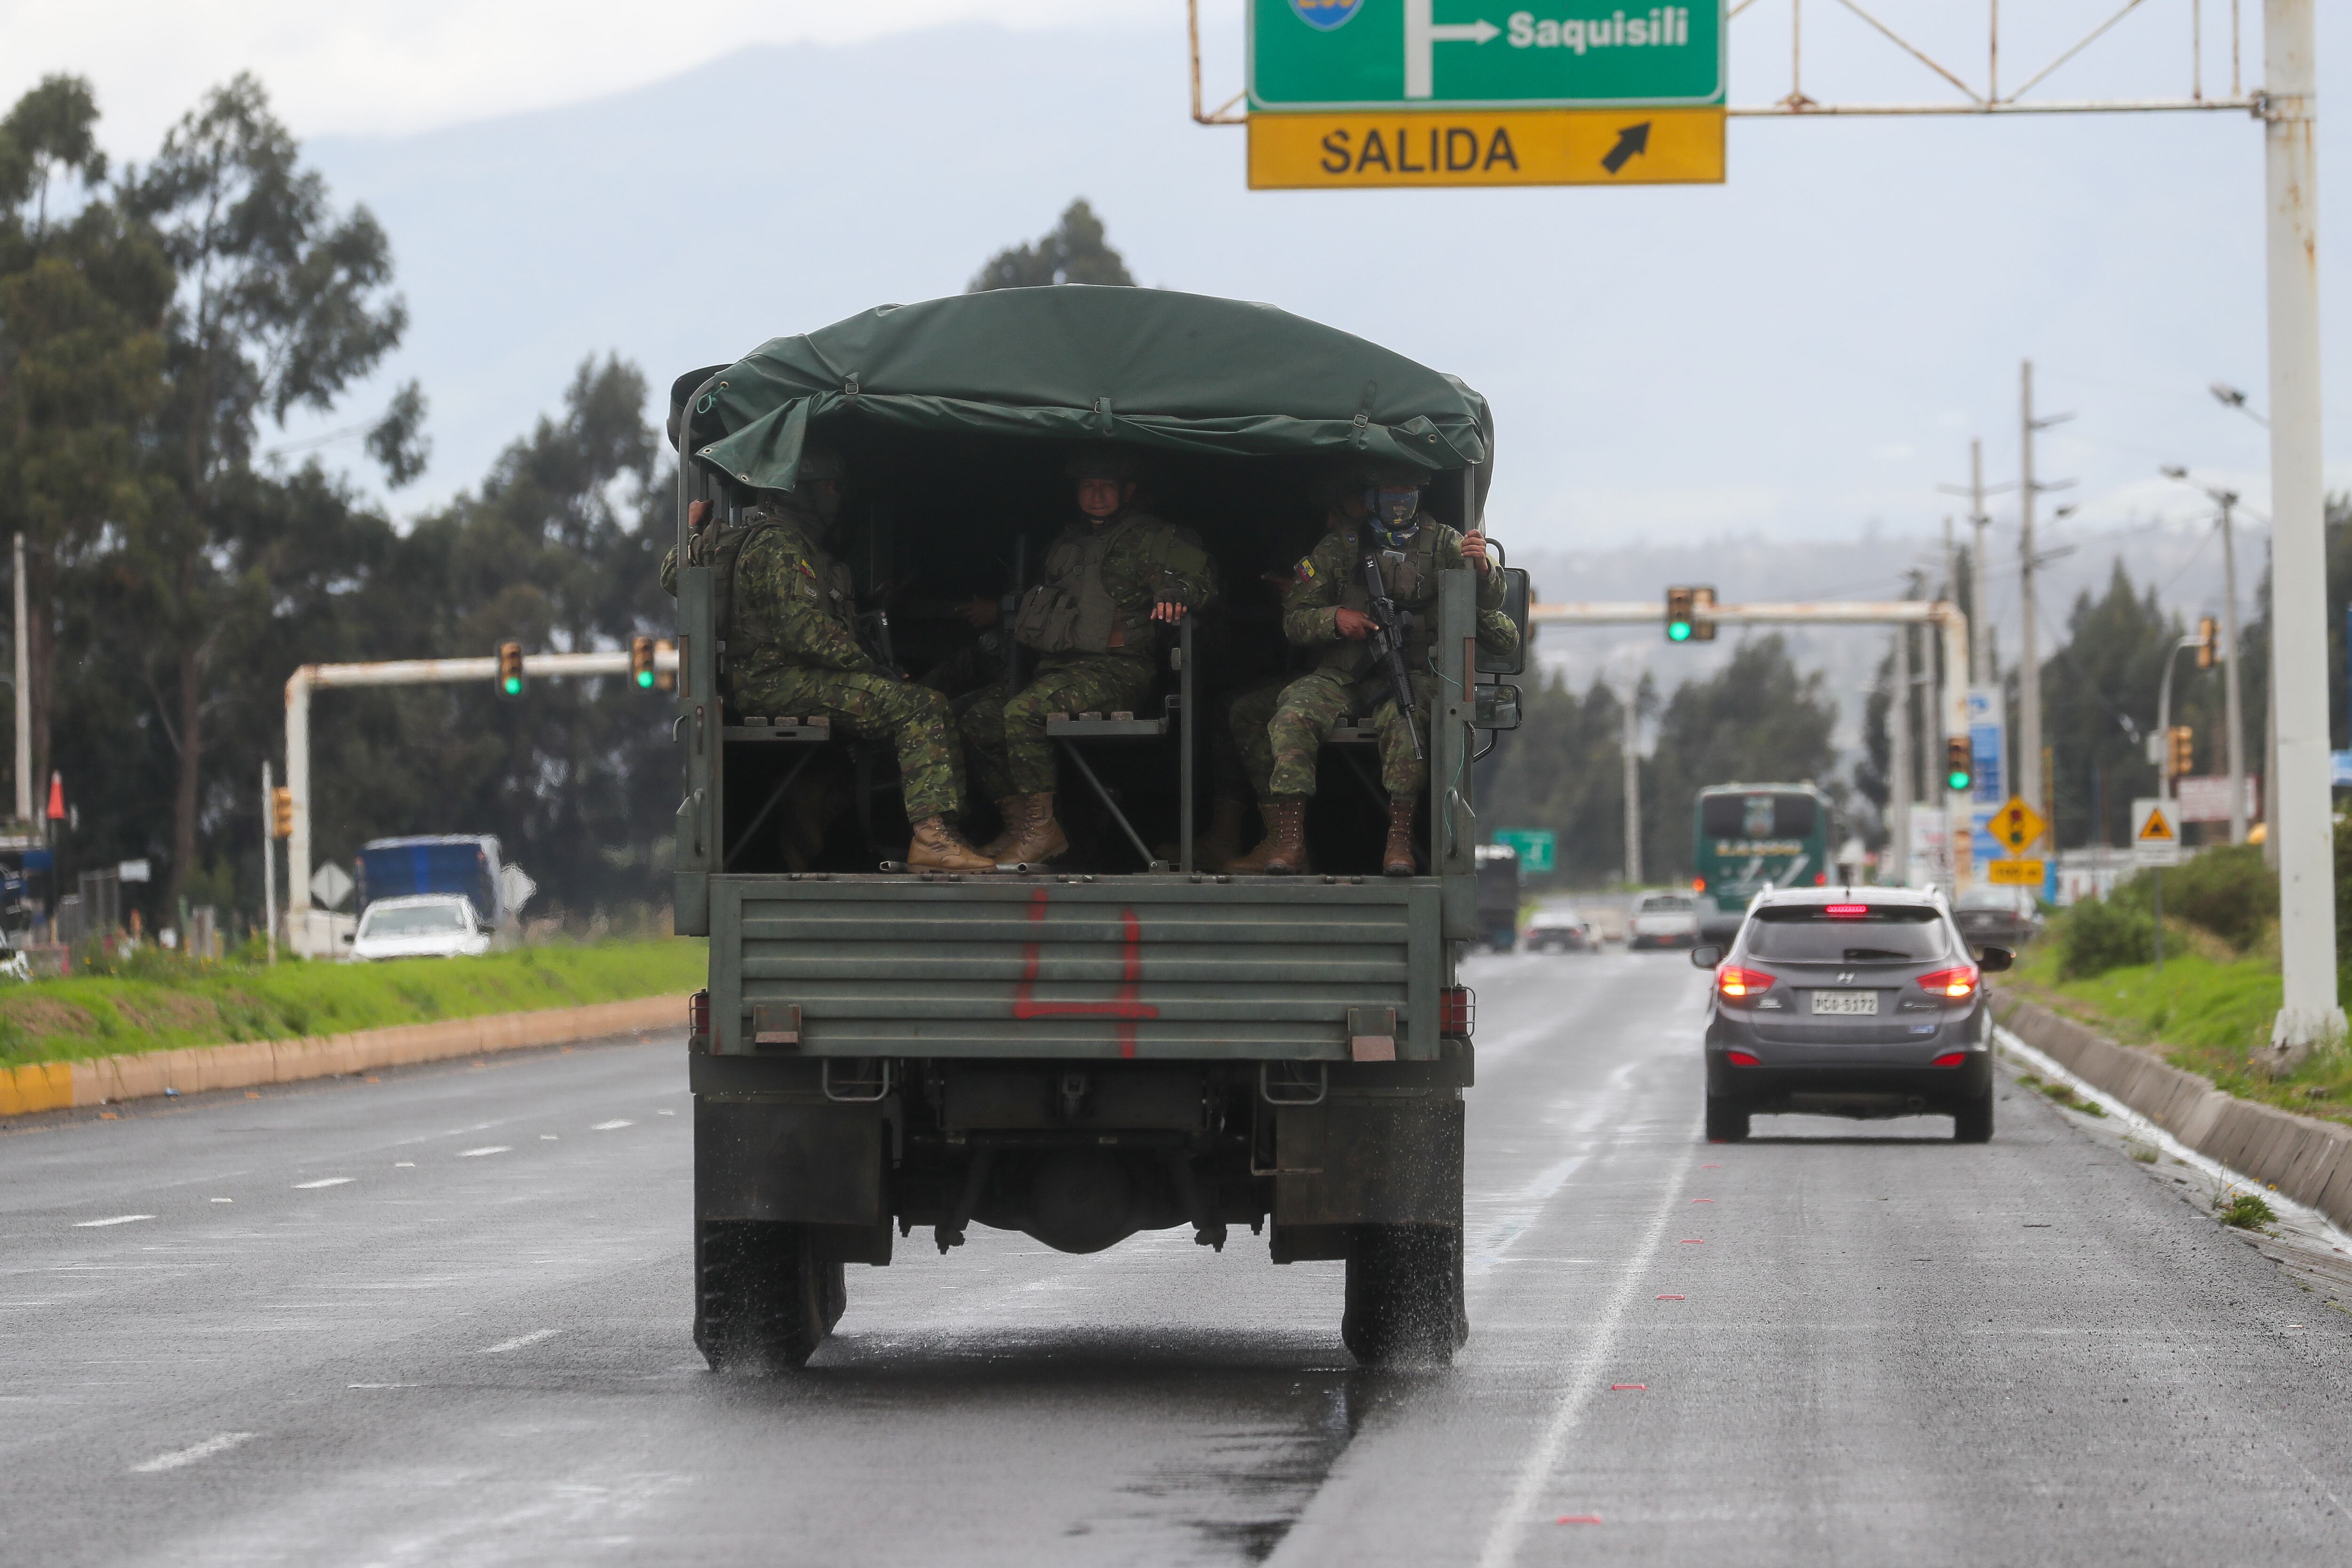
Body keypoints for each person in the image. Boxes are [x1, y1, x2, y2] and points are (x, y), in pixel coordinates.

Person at [663, 445, 995, 873]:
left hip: (792, 677)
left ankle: (915, 828)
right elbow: (802, 632)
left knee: (927, 697)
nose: (838, 496)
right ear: (804, 491)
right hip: (779, 681)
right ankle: (933, 838)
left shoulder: (804, 548)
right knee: (920, 707)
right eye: (830, 487)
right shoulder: (779, 544)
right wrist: (869, 667)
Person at [957, 447, 1218, 864]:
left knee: (1023, 711)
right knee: (976, 720)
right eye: (1088, 486)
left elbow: (1203, 577)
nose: (1097, 495)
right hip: (1056, 672)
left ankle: (1042, 831)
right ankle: (1020, 827)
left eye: (1107, 487)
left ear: (1128, 491)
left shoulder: (1154, 537)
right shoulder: (1066, 542)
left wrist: (1178, 593)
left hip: (1117, 672)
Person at [1255, 462, 1517, 876]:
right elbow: (1294, 620)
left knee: (1405, 721)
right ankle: (1290, 840)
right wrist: (1335, 618)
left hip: (1409, 673)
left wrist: (1483, 567)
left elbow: (1489, 606)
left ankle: (1399, 842)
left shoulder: (1445, 542)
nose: (1398, 505)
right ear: (1371, 498)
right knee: (1292, 715)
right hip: (1344, 673)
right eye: (1389, 495)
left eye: (1406, 495)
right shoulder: (1339, 548)